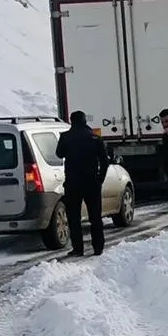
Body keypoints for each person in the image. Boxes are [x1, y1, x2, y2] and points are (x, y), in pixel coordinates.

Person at [55, 110, 109, 256]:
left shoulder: (66, 137)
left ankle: (78, 248)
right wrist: (100, 179)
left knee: (74, 217)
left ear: (72, 121)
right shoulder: (95, 138)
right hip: (92, 182)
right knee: (95, 217)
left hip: (73, 182)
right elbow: (105, 161)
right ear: (85, 121)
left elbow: (59, 154)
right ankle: (98, 247)